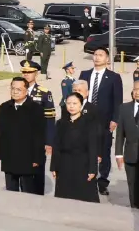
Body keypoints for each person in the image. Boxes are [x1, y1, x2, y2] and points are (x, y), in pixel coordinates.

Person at [79, 46, 123, 196]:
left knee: (104, 151)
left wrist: (115, 119)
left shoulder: (114, 77)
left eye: (101, 55)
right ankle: (85, 177)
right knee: (84, 148)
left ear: (107, 59)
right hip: (85, 118)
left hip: (104, 121)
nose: (97, 57)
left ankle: (102, 182)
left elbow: (117, 101)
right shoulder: (84, 74)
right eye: (95, 54)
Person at [0, 77, 47, 193]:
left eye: (18, 89)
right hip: (9, 156)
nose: (15, 92)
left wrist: (37, 158)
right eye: (13, 89)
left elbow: (39, 135)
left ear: (26, 91)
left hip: (27, 157)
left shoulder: (35, 108)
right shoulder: (4, 107)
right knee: (11, 190)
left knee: (27, 191)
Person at [51, 92, 100, 203]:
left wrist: (93, 169)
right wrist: (54, 166)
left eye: (75, 103)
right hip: (64, 164)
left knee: (84, 197)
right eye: (69, 103)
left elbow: (92, 147)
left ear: (81, 105)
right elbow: (56, 146)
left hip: (82, 164)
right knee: (64, 197)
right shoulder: (61, 123)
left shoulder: (89, 123)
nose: (71, 106)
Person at [20, 59, 57, 195]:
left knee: (38, 171)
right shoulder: (18, 91)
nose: (26, 75)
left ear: (36, 74)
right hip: (22, 138)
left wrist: (49, 142)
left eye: (29, 72)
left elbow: (50, 119)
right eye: (24, 72)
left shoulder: (44, 93)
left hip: (38, 139)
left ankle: (37, 194)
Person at [114, 78, 139, 208]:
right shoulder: (124, 108)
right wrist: (119, 154)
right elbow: (120, 134)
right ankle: (134, 207)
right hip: (130, 154)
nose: (137, 92)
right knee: (132, 184)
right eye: (135, 89)